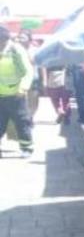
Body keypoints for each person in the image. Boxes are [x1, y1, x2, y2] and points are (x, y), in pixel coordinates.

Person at [0, 26, 35, 157]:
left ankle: (26, 148)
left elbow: (28, 70)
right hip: (0, 95)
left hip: (16, 95)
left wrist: (23, 88)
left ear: (5, 40)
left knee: (22, 122)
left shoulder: (16, 50)